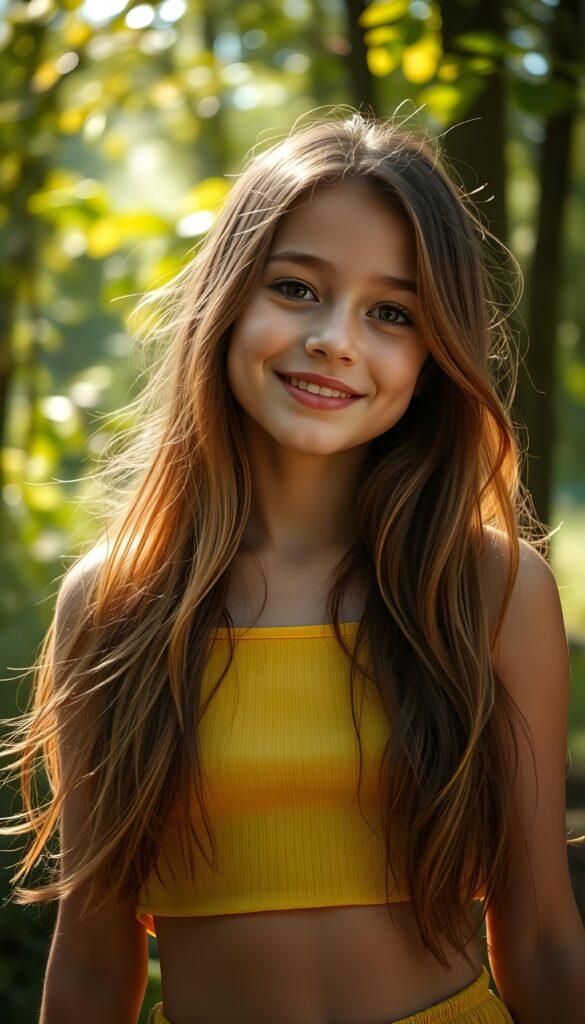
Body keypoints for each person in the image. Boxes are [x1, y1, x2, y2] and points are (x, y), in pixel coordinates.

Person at [2, 110, 584, 1024]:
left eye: (391, 312)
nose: (335, 339)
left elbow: (543, 936)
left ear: (432, 360)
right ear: (227, 299)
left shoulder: (490, 592)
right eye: (297, 288)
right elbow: (89, 959)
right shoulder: (113, 604)